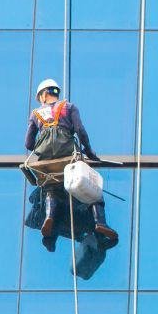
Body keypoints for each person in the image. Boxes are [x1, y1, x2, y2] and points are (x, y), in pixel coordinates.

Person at [25, 78, 117, 251]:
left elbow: (28, 143)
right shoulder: (69, 107)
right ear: (55, 93)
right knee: (94, 192)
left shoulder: (35, 113)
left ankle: (49, 216)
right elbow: (81, 131)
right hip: (68, 156)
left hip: (46, 159)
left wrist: (41, 149)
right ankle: (100, 222)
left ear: (43, 95)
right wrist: (89, 152)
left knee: (50, 186)